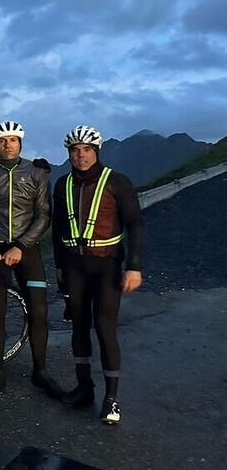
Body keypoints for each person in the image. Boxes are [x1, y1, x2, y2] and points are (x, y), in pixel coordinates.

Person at [52, 126, 144, 425]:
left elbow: (135, 225)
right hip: (74, 267)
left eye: (87, 149)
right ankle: (85, 387)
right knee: (78, 328)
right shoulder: (62, 183)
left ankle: (112, 397)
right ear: (69, 154)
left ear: (96, 151)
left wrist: (134, 266)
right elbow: (57, 230)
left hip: (107, 266)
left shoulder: (117, 181)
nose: (81, 155)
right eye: (75, 151)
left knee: (105, 329)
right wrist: (58, 268)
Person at [0, 121, 63, 398]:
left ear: (20, 143)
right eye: (2, 141)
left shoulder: (35, 173)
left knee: (40, 310)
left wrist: (21, 245)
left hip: (27, 249)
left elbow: (44, 214)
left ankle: (40, 372)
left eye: (12, 140)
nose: (7, 144)